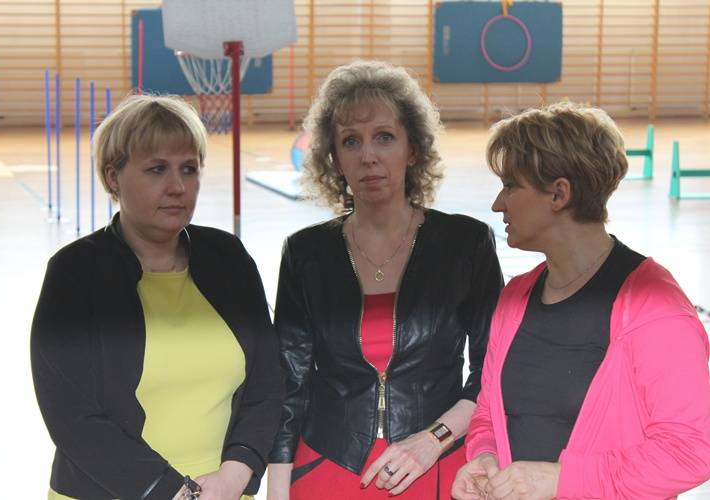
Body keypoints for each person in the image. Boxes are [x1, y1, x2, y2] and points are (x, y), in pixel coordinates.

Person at [266, 60, 504, 500]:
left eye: (384, 137)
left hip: (435, 461)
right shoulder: (305, 253)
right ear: (334, 158)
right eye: (351, 141)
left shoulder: (465, 244)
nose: (368, 156)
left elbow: (493, 371)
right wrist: (277, 493)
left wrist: (433, 439)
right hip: (328, 464)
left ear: (413, 149)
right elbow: (289, 386)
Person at [452, 102, 710, 500]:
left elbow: (690, 451)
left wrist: (560, 480)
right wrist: (485, 456)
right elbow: (489, 412)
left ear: (559, 194)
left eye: (511, 186)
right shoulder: (516, 296)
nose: (497, 204)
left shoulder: (653, 305)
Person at [31, 94, 283, 500]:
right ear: (113, 177)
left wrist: (235, 473)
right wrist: (172, 492)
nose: (178, 187)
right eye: (157, 169)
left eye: (189, 169)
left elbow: (267, 382)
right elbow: (72, 415)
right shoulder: (74, 272)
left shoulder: (229, 258)